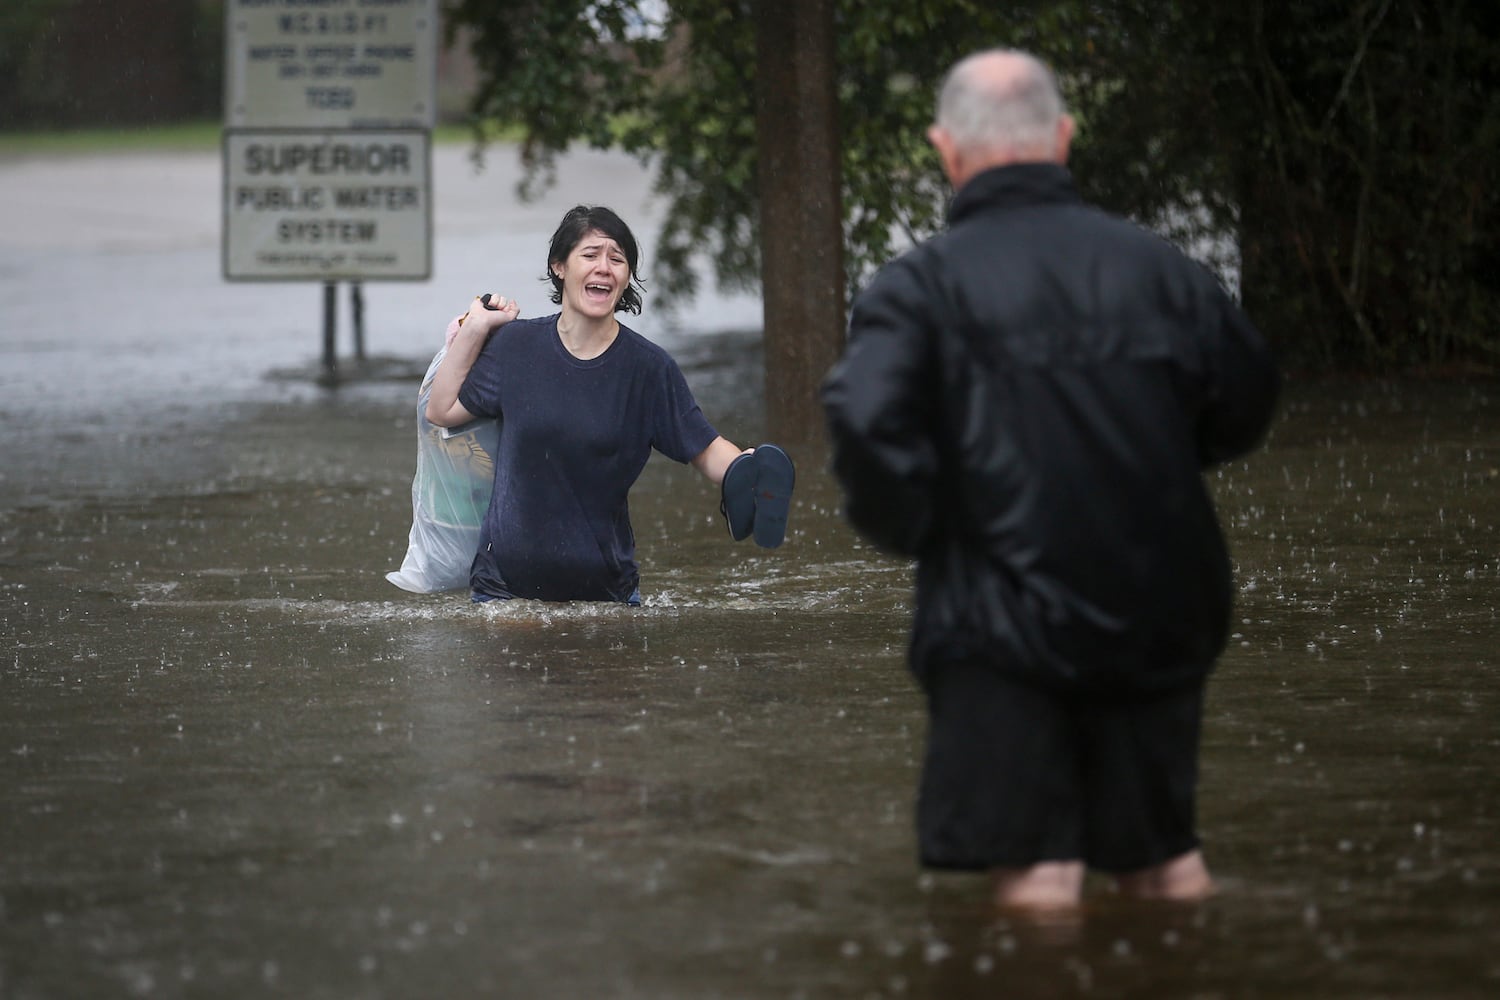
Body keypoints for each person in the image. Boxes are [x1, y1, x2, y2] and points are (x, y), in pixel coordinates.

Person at [820, 49, 1280, 909]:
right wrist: (1153, 471)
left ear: (945, 150)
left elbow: (866, 425)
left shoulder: (917, 288)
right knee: (1165, 860)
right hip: (1158, 600)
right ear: (1064, 138)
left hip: (1000, 618)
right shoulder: (1162, 270)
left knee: (1037, 872)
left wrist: (935, 534)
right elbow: (1248, 398)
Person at [425, 204, 794, 605]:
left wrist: (746, 470)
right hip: (503, 592)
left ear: (627, 278)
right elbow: (441, 410)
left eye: (617, 259)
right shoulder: (516, 347)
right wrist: (477, 328)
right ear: (559, 267)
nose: (604, 267)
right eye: (590, 255)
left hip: (603, 597)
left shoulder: (648, 369)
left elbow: (703, 448)